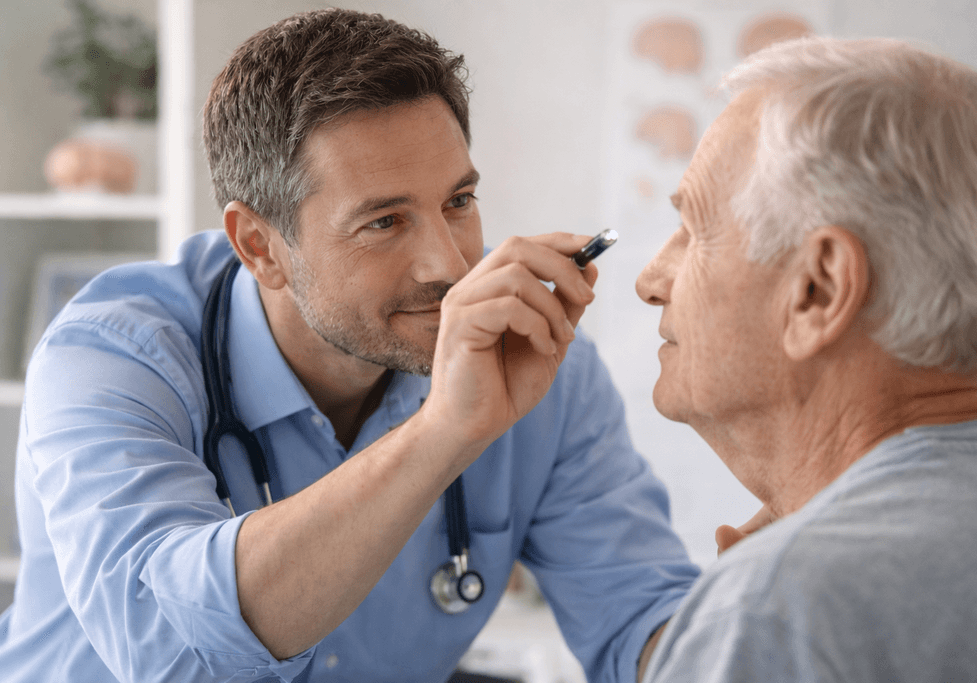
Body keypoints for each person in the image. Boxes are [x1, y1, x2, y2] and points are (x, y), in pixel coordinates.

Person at [0, 9, 698, 683]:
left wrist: (775, 583)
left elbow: (639, 622)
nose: (449, 266)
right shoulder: (109, 360)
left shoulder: (544, 368)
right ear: (260, 246)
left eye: (458, 201)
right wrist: (443, 432)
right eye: (384, 221)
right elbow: (175, 660)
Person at [635, 36, 977, 681]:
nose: (650, 279)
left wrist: (772, 601)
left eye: (695, 230)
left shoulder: (780, 608)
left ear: (819, 290)